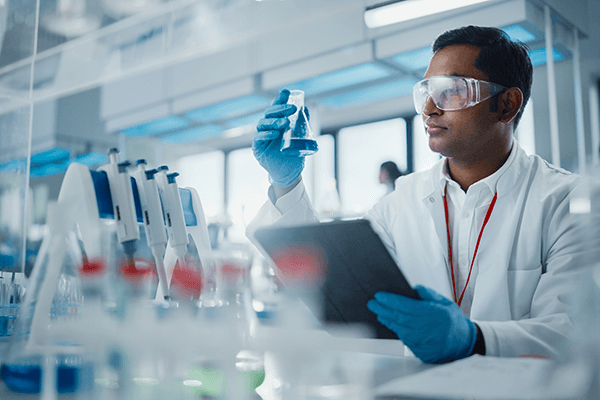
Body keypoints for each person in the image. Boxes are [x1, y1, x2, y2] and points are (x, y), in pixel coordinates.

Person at [247, 25, 599, 364]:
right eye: (427, 91)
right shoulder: (400, 202)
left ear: (506, 104)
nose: (430, 109)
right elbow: (329, 278)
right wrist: (287, 182)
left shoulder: (566, 202)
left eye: (452, 90)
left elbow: (572, 333)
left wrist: (473, 338)